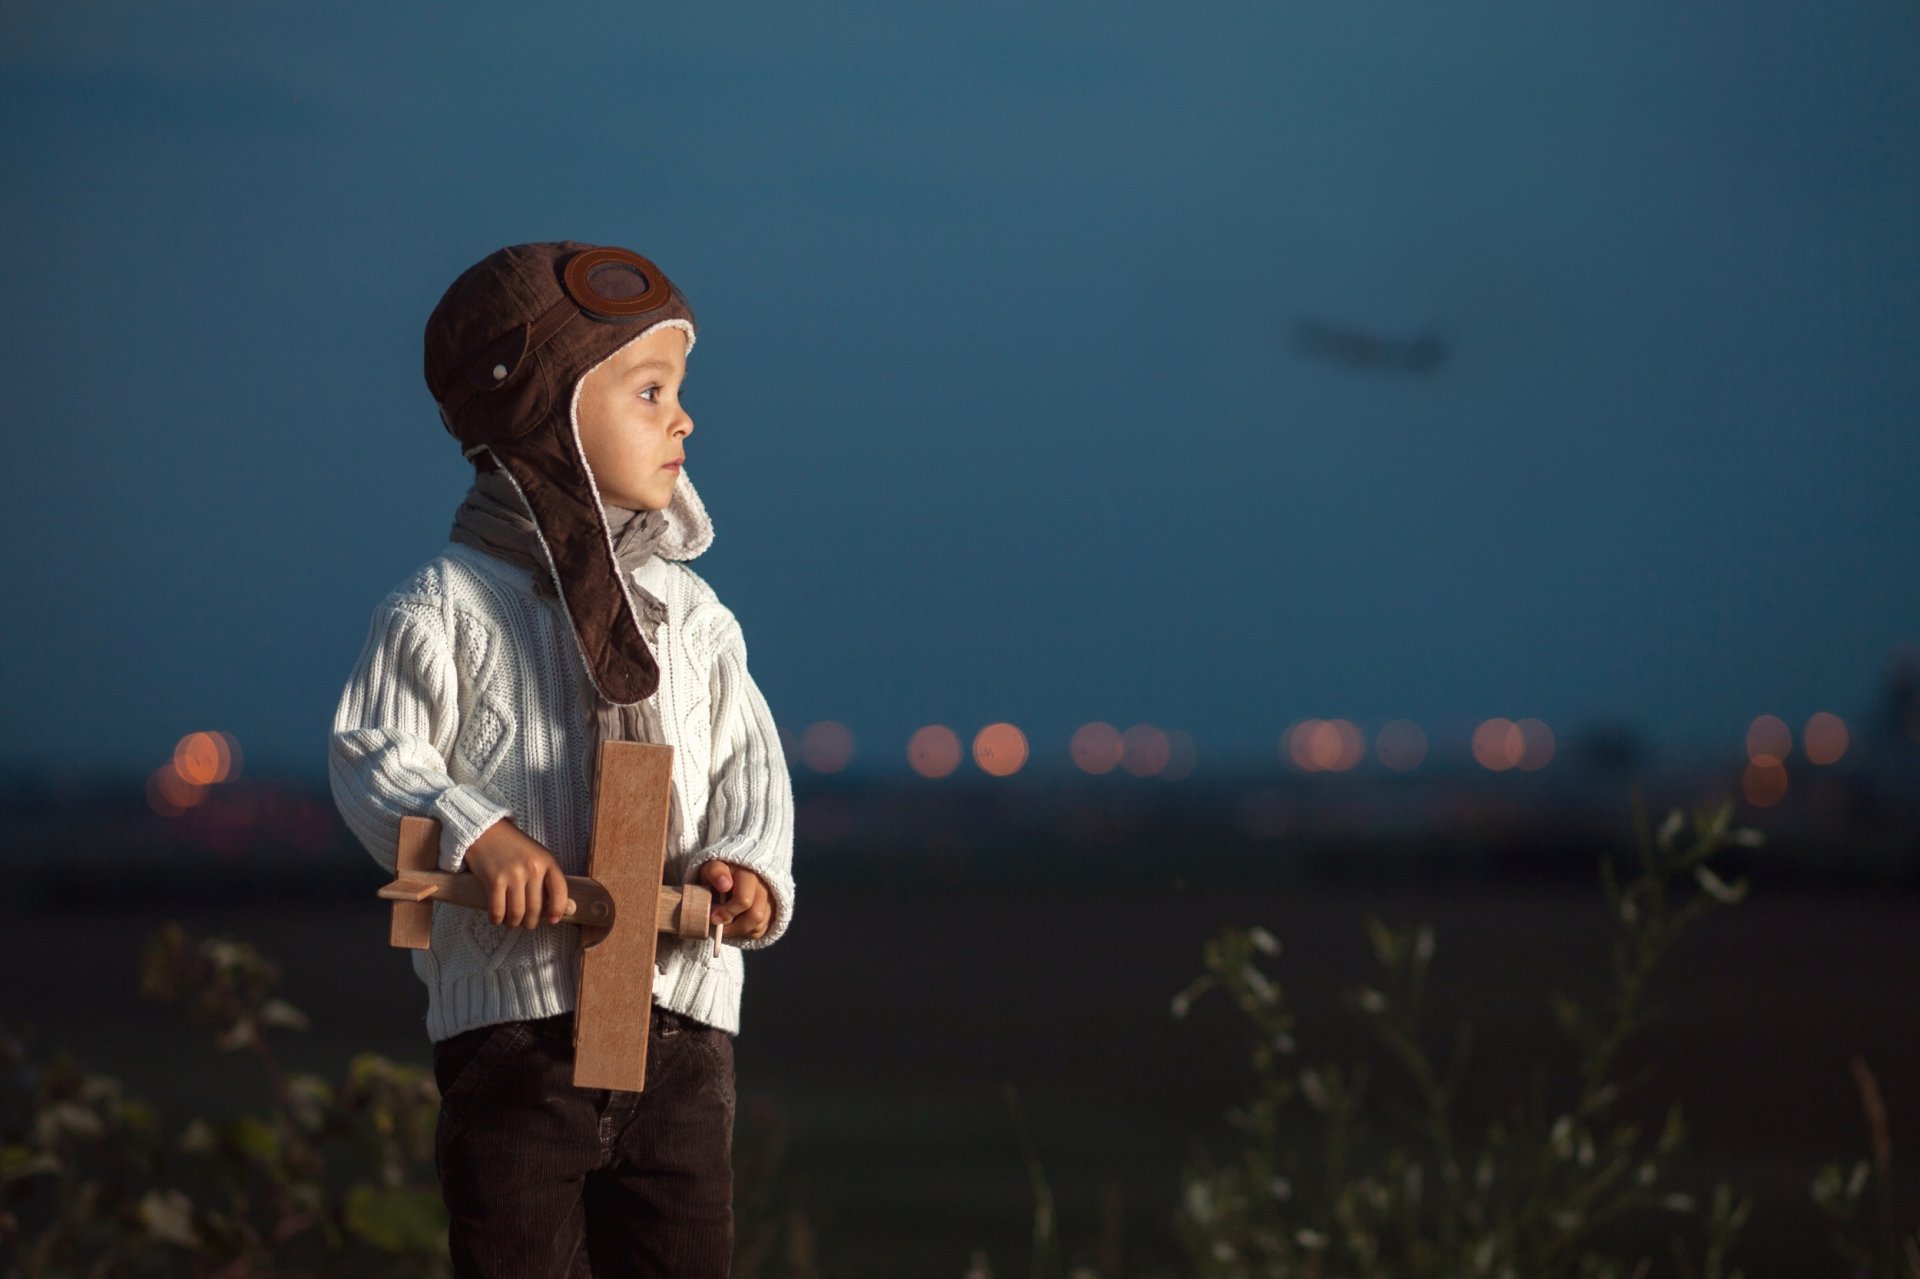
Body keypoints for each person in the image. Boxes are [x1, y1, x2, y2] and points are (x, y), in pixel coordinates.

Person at [327, 240, 796, 1278]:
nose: (684, 418)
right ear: (546, 411)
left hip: (681, 1028)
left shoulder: (693, 617)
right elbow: (372, 749)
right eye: (648, 390)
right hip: (515, 1038)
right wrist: (476, 832)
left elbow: (751, 765)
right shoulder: (443, 609)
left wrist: (745, 865)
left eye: (679, 390)